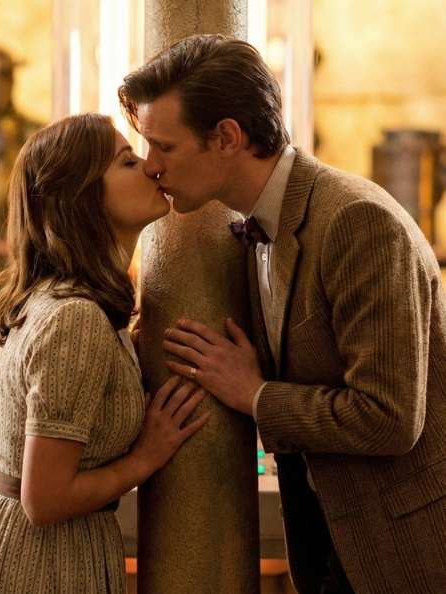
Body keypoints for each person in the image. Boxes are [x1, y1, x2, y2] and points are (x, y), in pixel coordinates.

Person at [118, 34, 446, 594]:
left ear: (227, 137)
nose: (151, 166)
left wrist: (255, 395)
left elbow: (389, 418)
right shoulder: (252, 227)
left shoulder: (356, 221)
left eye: (163, 146)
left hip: (406, 553)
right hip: (329, 549)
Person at [0, 112, 209, 594]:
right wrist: (145, 458)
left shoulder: (79, 307)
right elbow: (44, 500)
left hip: (51, 554)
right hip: (35, 566)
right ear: (82, 198)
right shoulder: (76, 317)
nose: (151, 167)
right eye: (127, 161)